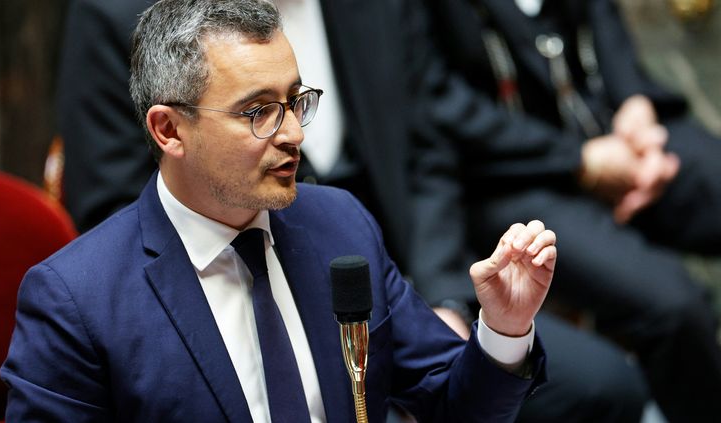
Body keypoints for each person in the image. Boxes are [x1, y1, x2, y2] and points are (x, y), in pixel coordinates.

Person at [54, 0, 650, 421]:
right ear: (168, 129)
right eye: (258, 111)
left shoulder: (338, 223)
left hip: (378, 266)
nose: (294, 136)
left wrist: (503, 328)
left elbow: (454, 404)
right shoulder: (73, 301)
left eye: (296, 103)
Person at [409, 0, 721, 421]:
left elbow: (603, 18)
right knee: (676, 306)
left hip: (610, 127)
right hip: (511, 176)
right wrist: (579, 159)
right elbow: (437, 104)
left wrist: (634, 104)